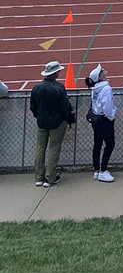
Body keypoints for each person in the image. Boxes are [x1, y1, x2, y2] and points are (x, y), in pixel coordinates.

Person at [30, 60, 75, 188]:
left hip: (42, 121)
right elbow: (64, 107)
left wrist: (39, 116)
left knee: (40, 148)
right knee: (54, 148)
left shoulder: (37, 87)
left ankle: (39, 176)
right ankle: (50, 177)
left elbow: (33, 106)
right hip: (57, 122)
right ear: (55, 73)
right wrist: (66, 118)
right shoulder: (59, 88)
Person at [87, 64, 117, 183]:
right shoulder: (106, 89)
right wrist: (111, 116)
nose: (104, 70)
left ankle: (96, 170)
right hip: (104, 119)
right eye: (102, 71)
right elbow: (107, 106)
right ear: (99, 77)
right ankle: (103, 170)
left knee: (97, 144)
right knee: (110, 144)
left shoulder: (94, 89)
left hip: (96, 119)